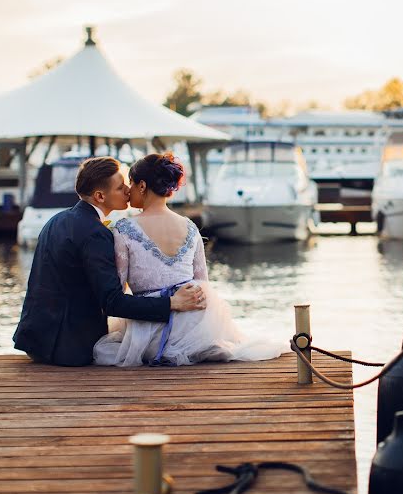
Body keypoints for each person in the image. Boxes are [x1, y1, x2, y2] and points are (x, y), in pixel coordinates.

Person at [93, 152, 286, 366]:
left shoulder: (124, 228)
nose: (128, 192)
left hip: (149, 325)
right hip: (195, 324)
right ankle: (203, 347)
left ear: (142, 186)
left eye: (131, 183)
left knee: (112, 348)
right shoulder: (190, 226)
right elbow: (203, 283)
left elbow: (119, 290)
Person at [13, 156, 206, 366]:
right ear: (99, 196)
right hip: (68, 349)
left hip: (35, 341)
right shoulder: (95, 233)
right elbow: (112, 302)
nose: (127, 190)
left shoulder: (56, 220)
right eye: (120, 187)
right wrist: (171, 303)